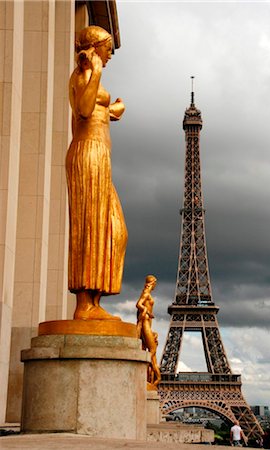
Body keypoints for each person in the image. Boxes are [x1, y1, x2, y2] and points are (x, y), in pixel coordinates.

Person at [66, 26, 128, 320]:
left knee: (115, 231)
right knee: (90, 226)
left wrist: (114, 109)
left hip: (100, 155)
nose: (110, 53)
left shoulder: (89, 74)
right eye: (107, 47)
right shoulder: (84, 73)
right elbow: (83, 108)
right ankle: (84, 305)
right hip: (88, 153)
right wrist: (97, 73)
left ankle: (94, 299)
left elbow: (97, 112)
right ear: (96, 46)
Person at [136, 275, 161, 388]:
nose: (155, 285)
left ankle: (150, 377)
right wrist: (146, 311)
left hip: (148, 323)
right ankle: (143, 369)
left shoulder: (148, 294)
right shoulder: (146, 293)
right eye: (155, 283)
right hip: (146, 322)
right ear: (152, 283)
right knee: (152, 350)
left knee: (152, 351)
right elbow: (138, 304)